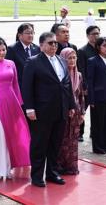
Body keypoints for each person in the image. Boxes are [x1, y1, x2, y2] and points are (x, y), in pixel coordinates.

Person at [22, 32, 75, 187]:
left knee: (55, 144)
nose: (53, 46)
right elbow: (27, 87)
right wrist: (29, 108)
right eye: (50, 43)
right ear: (42, 45)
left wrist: (71, 105)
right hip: (41, 111)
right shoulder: (33, 62)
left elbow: (67, 85)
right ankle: (37, 175)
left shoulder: (61, 60)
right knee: (39, 144)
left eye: (55, 43)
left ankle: (52, 173)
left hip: (60, 110)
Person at [0, 37, 31, 180]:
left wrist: (20, 103)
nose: (2, 52)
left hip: (12, 102)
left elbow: (15, 84)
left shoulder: (11, 63)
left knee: (16, 134)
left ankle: (13, 164)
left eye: (4, 49)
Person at [57, 48, 85, 175]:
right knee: (61, 139)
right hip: (63, 111)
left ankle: (71, 166)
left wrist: (82, 112)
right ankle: (59, 166)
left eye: (74, 58)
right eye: (69, 58)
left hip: (76, 113)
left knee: (73, 140)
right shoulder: (60, 74)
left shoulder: (78, 75)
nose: (72, 60)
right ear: (63, 59)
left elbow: (81, 96)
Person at [77, 25, 101, 142]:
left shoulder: (101, 49)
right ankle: (80, 133)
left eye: (98, 33)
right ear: (88, 36)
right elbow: (81, 69)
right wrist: (84, 86)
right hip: (87, 86)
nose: (96, 36)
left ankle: (94, 132)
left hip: (99, 86)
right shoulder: (82, 51)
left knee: (97, 111)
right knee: (82, 109)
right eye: (93, 34)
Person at [6, 23, 40, 91]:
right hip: (20, 88)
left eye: (32, 33)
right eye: (27, 33)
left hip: (35, 87)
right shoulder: (12, 49)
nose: (30, 35)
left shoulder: (37, 48)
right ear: (19, 35)